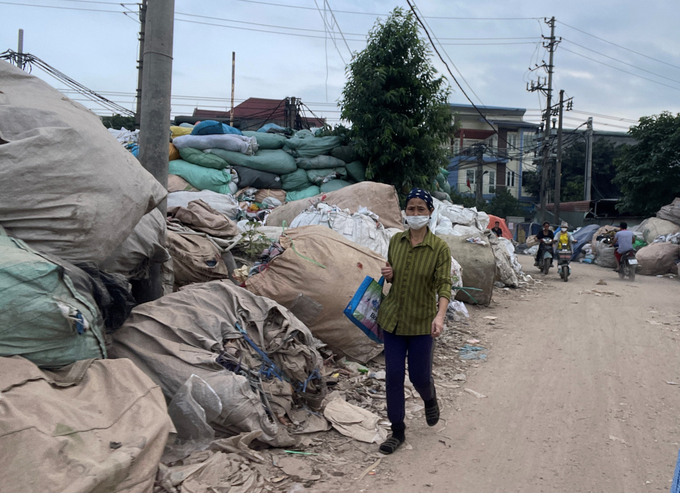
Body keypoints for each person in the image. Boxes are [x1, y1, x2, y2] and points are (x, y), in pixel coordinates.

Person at [376, 188, 452, 455]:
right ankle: (397, 431)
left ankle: (429, 398)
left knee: (420, 377)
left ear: (430, 212)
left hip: (421, 322)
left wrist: (439, 316)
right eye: (411, 208)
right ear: (405, 212)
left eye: (421, 209)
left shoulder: (439, 248)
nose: (416, 213)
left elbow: (444, 284)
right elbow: (396, 277)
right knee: (394, 376)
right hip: (393, 319)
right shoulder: (395, 241)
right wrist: (390, 274)